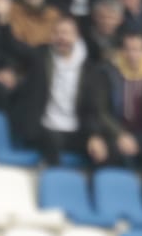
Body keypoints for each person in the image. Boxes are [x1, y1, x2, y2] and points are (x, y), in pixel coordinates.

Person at [88, 29, 142, 170]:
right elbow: (102, 111)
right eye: (128, 49)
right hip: (116, 131)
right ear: (121, 51)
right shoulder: (109, 73)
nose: (133, 55)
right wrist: (120, 135)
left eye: (138, 50)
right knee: (123, 158)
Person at [15, 14, 94, 163]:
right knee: (52, 142)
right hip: (44, 127)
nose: (61, 37)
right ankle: (54, 182)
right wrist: (3, 21)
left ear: (76, 36)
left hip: (75, 129)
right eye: (57, 33)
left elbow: (92, 106)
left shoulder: (89, 68)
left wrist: (95, 136)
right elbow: (15, 48)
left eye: (66, 33)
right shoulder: (41, 56)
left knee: (103, 148)